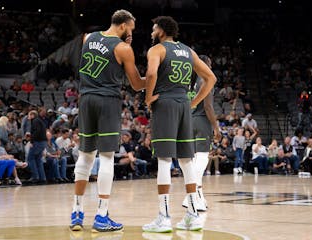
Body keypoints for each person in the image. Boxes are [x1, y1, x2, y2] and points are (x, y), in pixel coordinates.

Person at [70, 9, 145, 232]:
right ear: (123, 26)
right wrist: (153, 77)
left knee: (85, 156)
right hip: (107, 102)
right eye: (130, 28)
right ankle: (102, 216)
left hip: (85, 99)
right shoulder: (123, 48)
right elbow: (136, 84)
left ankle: (76, 212)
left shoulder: (87, 38)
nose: (131, 32)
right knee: (106, 157)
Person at [143, 16, 216, 233]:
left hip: (165, 103)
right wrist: (192, 102)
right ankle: (192, 216)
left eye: (154, 28)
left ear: (162, 31)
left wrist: (148, 98)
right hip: (184, 104)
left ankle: (164, 217)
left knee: (164, 160)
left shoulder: (156, 50)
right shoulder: (188, 51)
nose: (151, 32)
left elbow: (151, 73)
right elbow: (211, 78)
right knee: (186, 160)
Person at [181, 55, 220, 211]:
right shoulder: (205, 79)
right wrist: (216, 127)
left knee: (194, 160)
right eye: (210, 64)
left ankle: (199, 197)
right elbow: (208, 106)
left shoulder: (188, 81)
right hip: (201, 121)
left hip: (187, 122)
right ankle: (190, 194)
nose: (210, 67)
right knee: (203, 158)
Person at [26, 109, 47, 184]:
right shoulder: (40, 121)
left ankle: (35, 177)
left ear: (33, 115)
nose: (28, 116)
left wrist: (32, 141)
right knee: (38, 160)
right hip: (43, 142)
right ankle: (42, 178)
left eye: (29, 115)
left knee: (30, 158)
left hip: (37, 142)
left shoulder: (35, 121)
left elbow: (36, 132)